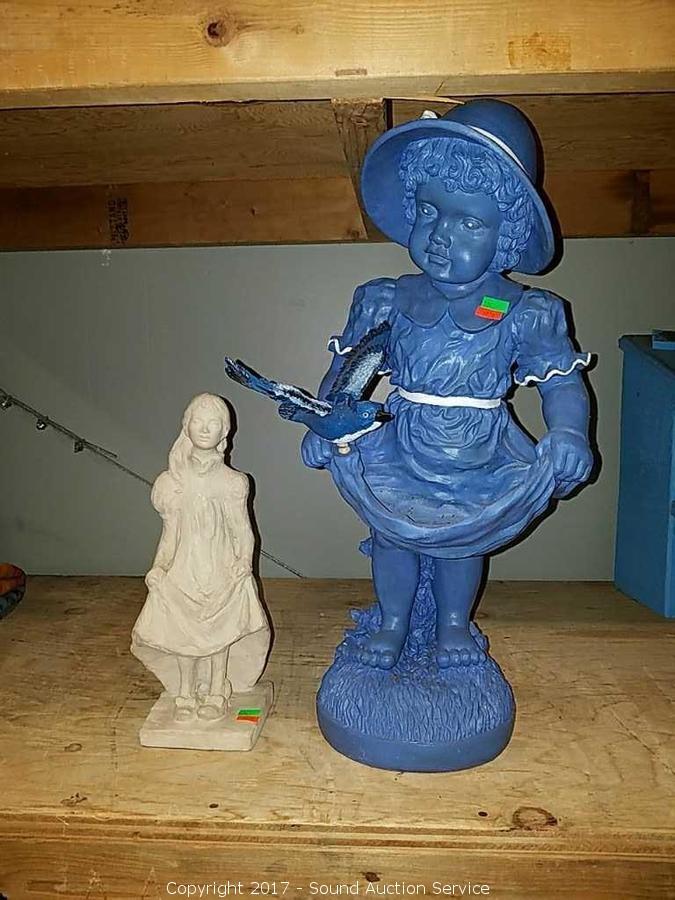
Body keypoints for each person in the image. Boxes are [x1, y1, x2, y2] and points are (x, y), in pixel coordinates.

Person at [301, 100, 593, 672]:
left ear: (506, 236)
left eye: (469, 223)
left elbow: (560, 382)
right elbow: (351, 373)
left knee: (465, 540)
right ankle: (392, 621)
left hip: (482, 452)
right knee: (391, 535)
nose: (440, 235)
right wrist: (326, 419)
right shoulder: (388, 299)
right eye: (430, 211)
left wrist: (568, 433)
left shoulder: (526, 312)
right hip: (401, 443)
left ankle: (454, 625)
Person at [132, 393, 270, 722]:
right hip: (185, 568)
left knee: (219, 632)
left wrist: (243, 562)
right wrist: (160, 566)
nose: (205, 428)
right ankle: (184, 692)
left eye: (214, 423)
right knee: (184, 633)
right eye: (198, 421)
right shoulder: (172, 482)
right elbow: (170, 534)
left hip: (220, 568)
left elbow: (243, 530)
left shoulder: (233, 482)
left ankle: (216, 690)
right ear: (186, 426)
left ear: (225, 431)